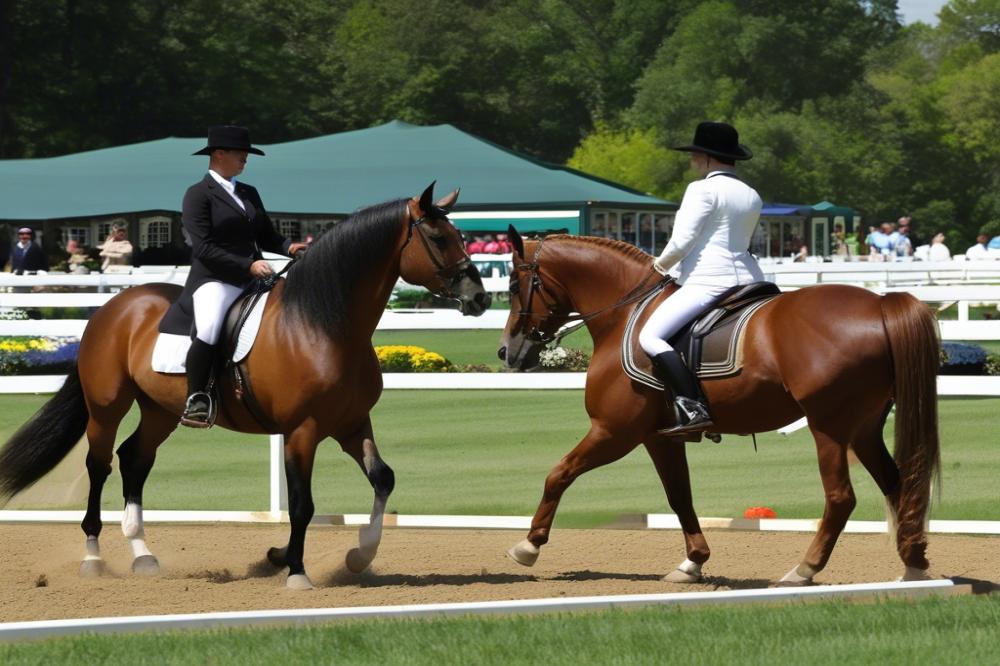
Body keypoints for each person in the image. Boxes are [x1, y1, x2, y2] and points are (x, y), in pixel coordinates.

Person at [164, 125, 308, 427]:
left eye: (246, 154)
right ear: (218, 154)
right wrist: (247, 265)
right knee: (211, 328)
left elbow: (267, 235)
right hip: (214, 280)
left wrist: (290, 247)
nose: (245, 159)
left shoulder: (248, 192)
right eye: (240, 154)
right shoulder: (198, 195)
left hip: (254, 279)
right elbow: (203, 247)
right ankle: (197, 397)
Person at [638, 121, 763, 435]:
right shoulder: (751, 194)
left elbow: (682, 241)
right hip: (751, 281)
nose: (692, 160)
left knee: (649, 337)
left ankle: (692, 406)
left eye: (696, 154)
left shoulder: (702, 189)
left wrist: (657, 267)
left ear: (708, 157)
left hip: (710, 281)